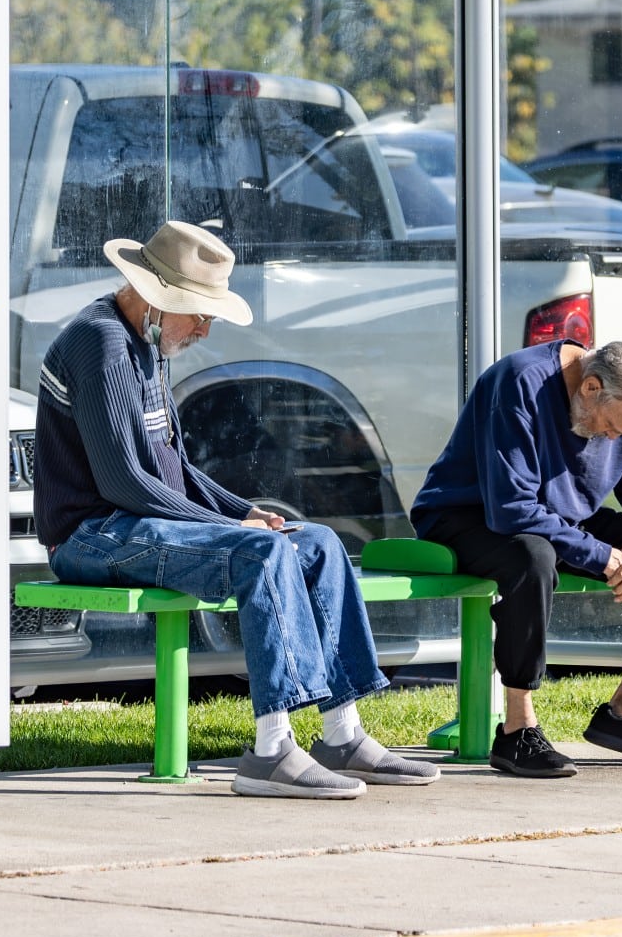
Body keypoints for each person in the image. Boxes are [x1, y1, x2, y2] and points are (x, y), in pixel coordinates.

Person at [34, 220, 435, 799]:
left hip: (139, 523)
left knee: (316, 541)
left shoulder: (146, 340)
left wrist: (247, 511)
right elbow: (123, 483)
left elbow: (174, 470)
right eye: (196, 310)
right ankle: (271, 751)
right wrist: (234, 526)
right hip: (90, 535)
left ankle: (341, 734)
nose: (205, 325)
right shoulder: (98, 342)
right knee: (264, 551)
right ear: (153, 297)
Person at [410, 338, 622, 778]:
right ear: (590, 387)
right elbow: (511, 509)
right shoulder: (520, 381)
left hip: (558, 521)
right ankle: (517, 730)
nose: (615, 438)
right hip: (466, 515)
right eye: (612, 427)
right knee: (531, 556)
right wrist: (606, 559)